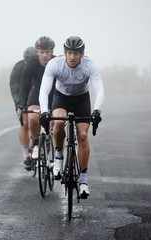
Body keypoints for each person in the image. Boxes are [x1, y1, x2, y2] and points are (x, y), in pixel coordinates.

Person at [39, 36, 105, 199]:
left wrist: (97, 111)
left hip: (82, 99)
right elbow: (45, 90)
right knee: (59, 123)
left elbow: (99, 90)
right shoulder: (55, 65)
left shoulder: (90, 65)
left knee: (82, 136)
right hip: (61, 97)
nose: (72, 57)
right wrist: (44, 112)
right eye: (69, 53)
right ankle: (59, 157)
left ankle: (83, 181)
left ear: (82, 54)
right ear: (64, 53)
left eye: (76, 53)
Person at [19, 36, 56, 170]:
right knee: (33, 119)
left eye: (47, 52)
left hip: (53, 95)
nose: (45, 55)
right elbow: (23, 86)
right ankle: (35, 143)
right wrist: (21, 105)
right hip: (37, 94)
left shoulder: (57, 62)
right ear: (37, 52)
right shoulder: (32, 64)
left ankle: (51, 144)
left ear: (52, 52)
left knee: (54, 122)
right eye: (42, 52)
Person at [9, 46, 38, 165]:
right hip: (23, 98)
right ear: (24, 60)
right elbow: (15, 88)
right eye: (27, 62)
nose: (28, 65)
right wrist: (18, 105)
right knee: (25, 123)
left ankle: (40, 143)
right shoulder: (18, 67)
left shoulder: (40, 66)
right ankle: (26, 156)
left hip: (37, 97)